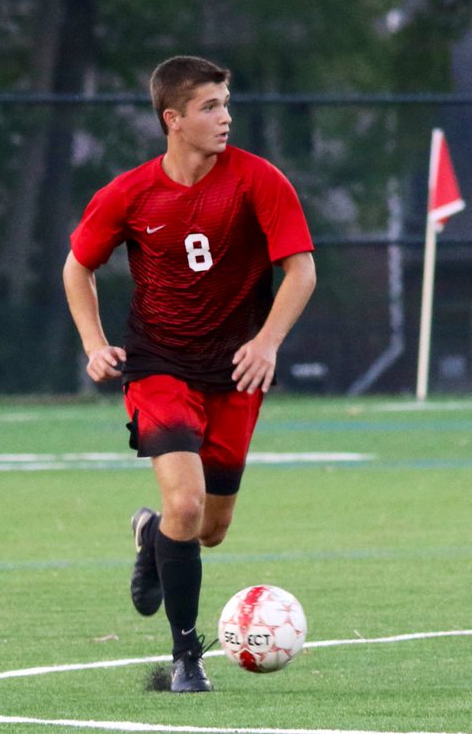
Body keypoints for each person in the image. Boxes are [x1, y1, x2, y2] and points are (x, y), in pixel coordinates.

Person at [61, 55, 316, 693]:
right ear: (173, 120)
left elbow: (302, 270)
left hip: (235, 370)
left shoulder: (259, 181)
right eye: (210, 106)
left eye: (227, 103)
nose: (225, 117)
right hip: (159, 366)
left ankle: (151, 534)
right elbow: (77, 267)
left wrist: (267, 342)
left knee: (211, 529)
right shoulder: (129, 193)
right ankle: (186, 657)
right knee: (186, 500)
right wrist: (94, 343)